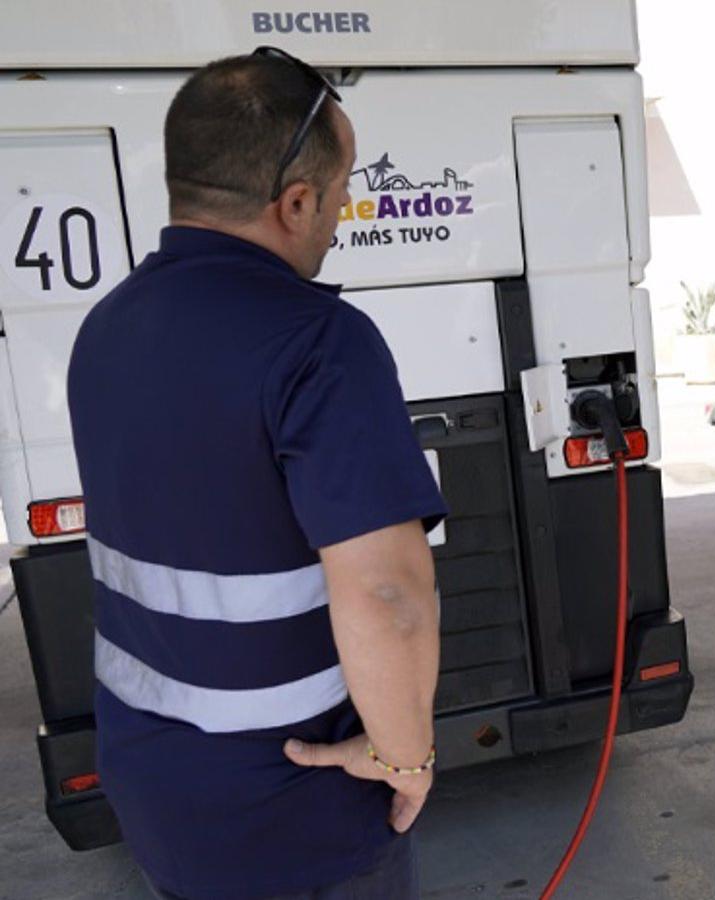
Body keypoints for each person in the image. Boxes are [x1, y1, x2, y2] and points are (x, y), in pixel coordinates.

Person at [66, 47, 447, 900]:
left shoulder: (105, 331)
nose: (343, 213)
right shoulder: (318, 343)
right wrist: (405, 755)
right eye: (341, 191)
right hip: (297, 815)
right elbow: (388, 597)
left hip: (158, 796)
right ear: (296, 200)